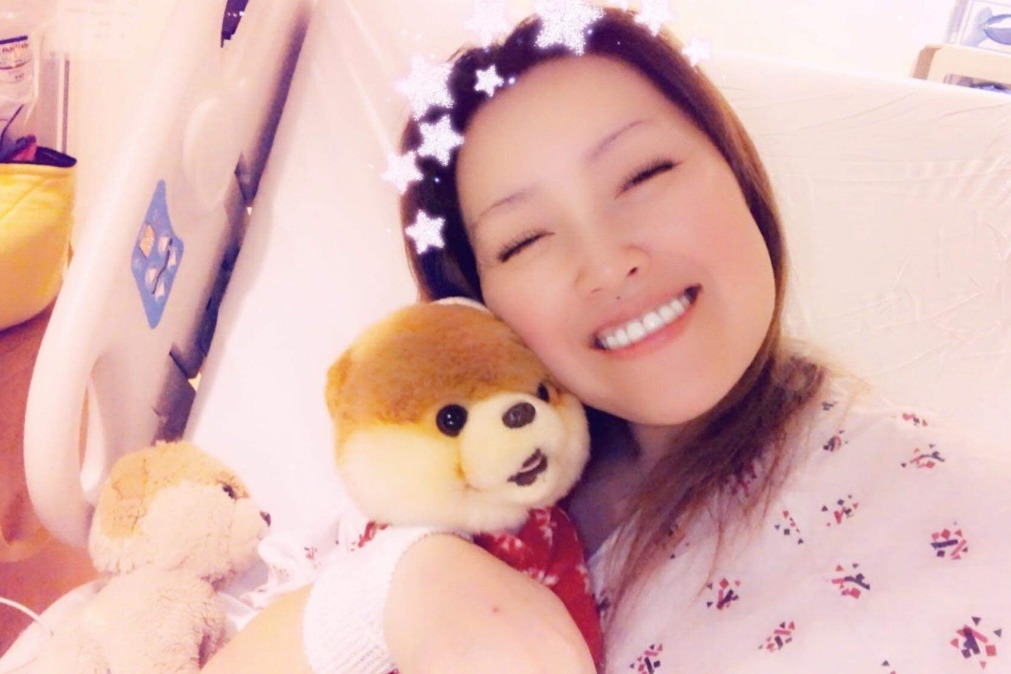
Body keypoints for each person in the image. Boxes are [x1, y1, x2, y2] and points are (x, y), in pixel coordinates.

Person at [206, 7, 1011, 673]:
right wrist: (398, 589)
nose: (605, 263)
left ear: (738, 174)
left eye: (643, 175)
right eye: (525, 240)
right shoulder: (462, 480)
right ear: (475, 306)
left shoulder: (959, 520)